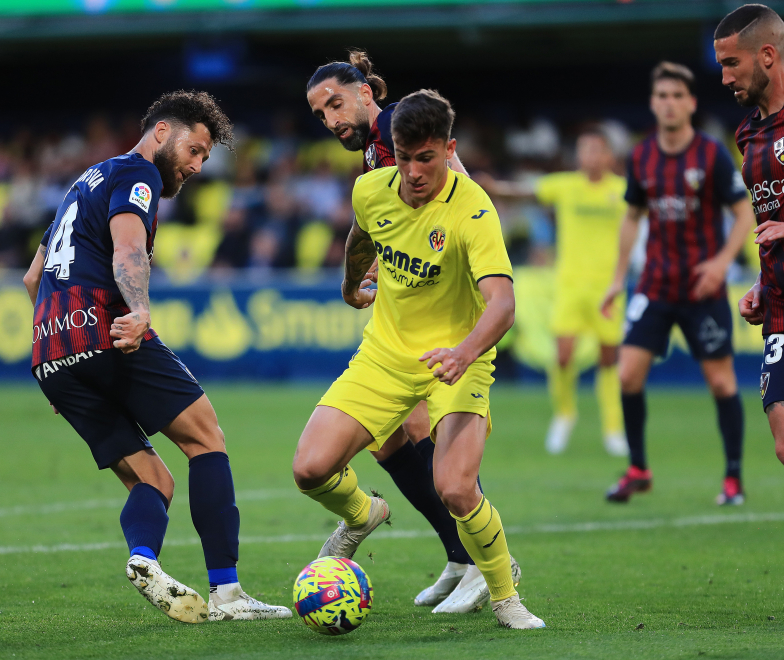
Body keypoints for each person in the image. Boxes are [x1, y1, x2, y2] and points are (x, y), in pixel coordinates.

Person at [22, 91, 291, 624]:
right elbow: (125, 251)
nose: (195, 166)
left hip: (52, 349)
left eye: (204, 160)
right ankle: (228, 594)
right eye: (194, 150)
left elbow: (33, 278)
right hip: (107, 329)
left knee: (154, 481)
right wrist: (139, 309)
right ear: (162, 132)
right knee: (206, 436)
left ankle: (144, 559)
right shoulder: (137, 176)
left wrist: (61, 359)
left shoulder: (84, 183)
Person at [292, 89, 544, 629]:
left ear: (449, 150)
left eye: (425, 158)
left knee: (455, 486)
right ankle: (363, 514)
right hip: (385, 355)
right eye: (403, 159)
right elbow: (362, 237)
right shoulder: (371, 188)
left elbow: (502, 304)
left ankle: (505, 596)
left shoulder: (473, 208)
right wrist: (350, 284)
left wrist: (464, 352)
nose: (412, 172)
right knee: (310, 469)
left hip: (459, 356)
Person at [600, 62, 755, 504]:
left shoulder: (711, 154)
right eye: (661, 96)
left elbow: (743, 211)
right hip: (654, 285)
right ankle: (638, 468)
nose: (668, 103)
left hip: (702, 289)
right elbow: (632, 216)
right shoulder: (642, 155)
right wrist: (616, 280)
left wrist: (722, 263)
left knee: (723, 384)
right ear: (653, 104)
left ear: (690, 103)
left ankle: (732, 478)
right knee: (628, 375)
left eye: (676, 96)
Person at [477, 128, 628, 457]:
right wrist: (496, 188)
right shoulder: (566, 186)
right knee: (562, 355)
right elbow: (525, 193)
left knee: (608, 359)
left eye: (595, 150)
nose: (588, 156)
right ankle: (564, 415)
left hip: (608, 290)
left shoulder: (622, 191)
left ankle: (614, 428)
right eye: (583, 150)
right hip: (570, 285)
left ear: (608, 156)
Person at [715, 4, 784, 468]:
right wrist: (762, 283)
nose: (724, 78)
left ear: (766, 56)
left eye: (730, 63)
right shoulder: (747, 137)